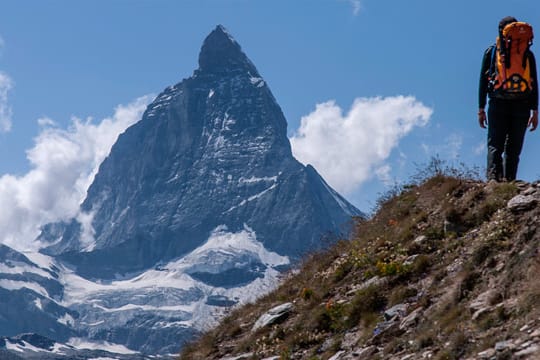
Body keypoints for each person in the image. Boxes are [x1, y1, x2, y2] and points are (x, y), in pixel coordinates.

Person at [478, 16, 538, 182]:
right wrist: (535, 110)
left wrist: (481, 108)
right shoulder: (527, 54)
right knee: (514, 147)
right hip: (523, 104)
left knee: (495, 143)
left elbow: (483, 82)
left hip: (498, 102)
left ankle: (493, 180)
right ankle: (510, 180)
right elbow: (534, 82)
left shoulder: (491, 52)